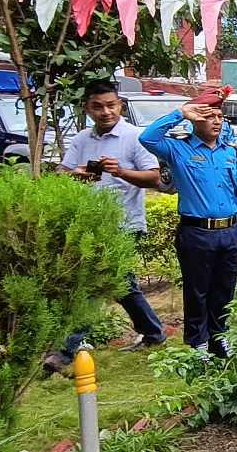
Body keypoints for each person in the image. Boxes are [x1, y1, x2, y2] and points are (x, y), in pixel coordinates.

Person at [42, 81, 168, 375]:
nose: (105, 112)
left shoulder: (135, 137)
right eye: (98, 106)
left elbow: (154, 178)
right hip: (90, 224)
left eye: (111, 105)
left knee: (95, 284)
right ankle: (154, 333)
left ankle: (65, 350)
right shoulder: (82, 139)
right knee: (123, 286)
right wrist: (76, 174)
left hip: (125, 225)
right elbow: (63, 173)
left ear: (120, 106)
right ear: (88, 108)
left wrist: (120, 171)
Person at [138, 86, 237, 359]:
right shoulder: (178, 149)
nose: (216, 121)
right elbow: (147, 138)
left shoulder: (229, 153)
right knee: (197, 290)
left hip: (229, 231)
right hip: (197, 232)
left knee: (225, 289)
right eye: (208, 116)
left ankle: (219, 337)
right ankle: (198, 342)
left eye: (219, 116)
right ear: (195, 119)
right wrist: (180, 113)